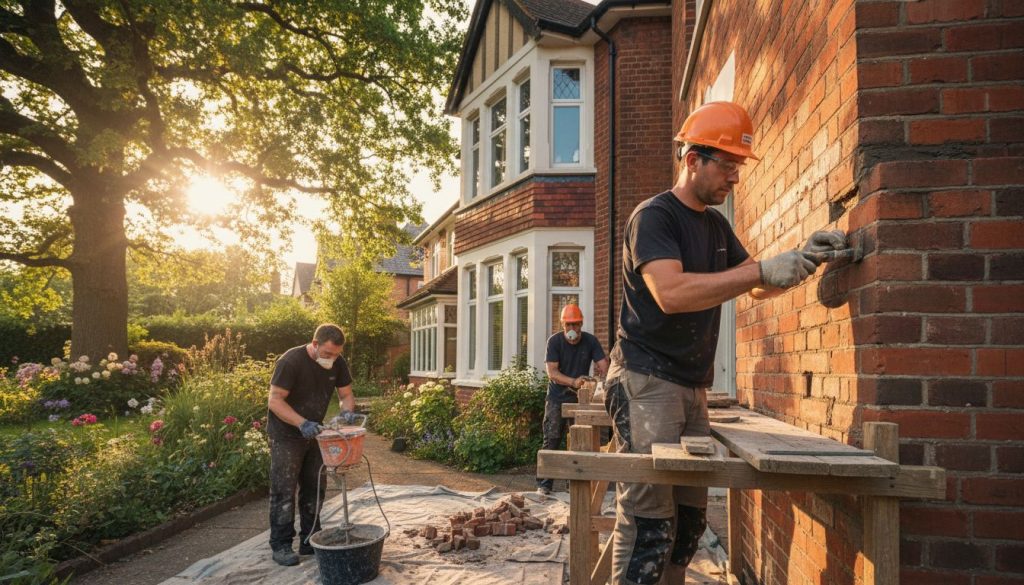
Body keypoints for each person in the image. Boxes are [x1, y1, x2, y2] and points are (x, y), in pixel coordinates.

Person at [604, 101, 846, 584]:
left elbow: (752, 281)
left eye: (738, 166)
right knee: (650, 521)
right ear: (692, 159)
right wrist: (757, 271)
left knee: (690, 523)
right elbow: (670, 294)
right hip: (645, 382)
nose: (735, 177)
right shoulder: (654, 217)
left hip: (692, 386)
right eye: (728, 165)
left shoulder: (715, 225)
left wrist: (801, 259)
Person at [267, 323, 358, 566]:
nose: (332, 359)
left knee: (315, 486)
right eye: (327, 354)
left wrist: (347, 412)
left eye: (336, 354)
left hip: (315, 434)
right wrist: (301, 423)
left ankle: (310, 540)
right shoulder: (291, 361)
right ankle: (281, 545)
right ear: (315, 344)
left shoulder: (337, 362)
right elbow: (275, 401)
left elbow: (346, 395)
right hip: (286, 434)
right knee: (284, 490)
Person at [537, 303, 609, 495]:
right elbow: (552, 373)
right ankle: (544, 485)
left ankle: (574, 486)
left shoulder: (590, 341)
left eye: (575, 325)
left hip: (580, 399)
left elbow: (603, 364)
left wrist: (603, 378)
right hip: (556, 397)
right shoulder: (554, 342)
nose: (572, 329)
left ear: (581, 324)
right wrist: (574, 381)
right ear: (563, 325)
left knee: (578, 441)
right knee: (551, 438)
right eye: (568, 325)